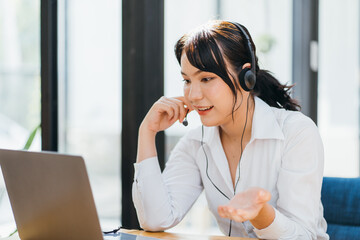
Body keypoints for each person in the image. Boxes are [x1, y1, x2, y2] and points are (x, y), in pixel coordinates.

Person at [132, 20, 329, 239]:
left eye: (206, 78)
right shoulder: (195, 143)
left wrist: (262, 213)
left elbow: (304, 236)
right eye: (187, 80)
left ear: (247, 78)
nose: (193, 95)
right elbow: (156, 219)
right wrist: (146, 132)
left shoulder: (296, 133)